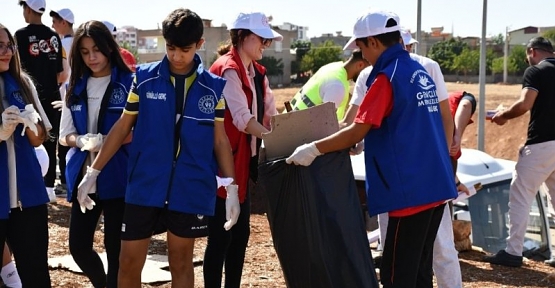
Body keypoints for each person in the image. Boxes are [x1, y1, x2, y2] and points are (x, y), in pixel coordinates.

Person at [286, 9, 458, 288]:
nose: (361, 54)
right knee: (419, 273)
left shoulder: (385, 78)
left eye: (362, 46)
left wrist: (313, 149)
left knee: (395, 276)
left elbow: (356, 129)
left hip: (409, 194)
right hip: (436, 186)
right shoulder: (418, 71)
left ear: (375, 42)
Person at [77, 8, 238, 287]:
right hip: (144, 183)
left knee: (180, 262)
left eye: (184, 50)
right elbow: (122, 127)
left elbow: (220, 140)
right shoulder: (144, 78)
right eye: (171, 47)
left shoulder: (213, 89)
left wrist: (232, 188)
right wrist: (93, 172)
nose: (176, 56)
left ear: (200, 44)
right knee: (127, 263)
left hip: (189, 186)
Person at [204, 11, 280, 288]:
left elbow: (269, 113)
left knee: (240, 236)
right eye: (262, 39)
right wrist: (275, 136)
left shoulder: (256, 73)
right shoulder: (228, 69)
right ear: (242, 37)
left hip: (242, 165)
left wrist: (287, 130)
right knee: (221, 237)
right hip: (223, 165)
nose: (265, 45)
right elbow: (242, 119)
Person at [57, 20, 134, 288]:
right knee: (78, 247)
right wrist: (81, 140)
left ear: (109, 49)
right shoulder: (73, 86)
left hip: (118, 176)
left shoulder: (129, 83)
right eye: (85, 51)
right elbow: (64, 135)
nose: (92, 57)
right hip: (83, 179)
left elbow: (138, 131)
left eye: (97, 50)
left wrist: (107, 141)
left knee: (116, 251)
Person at [484, 36, 555, 268]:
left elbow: (525, 104)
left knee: (521, 195)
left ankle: (513, 252)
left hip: (541, 143)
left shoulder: (536, 71)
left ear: (532, 51)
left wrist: (503, 115)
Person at [0, 23, 53, 287]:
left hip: (27, 198)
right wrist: (1, 131)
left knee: (36, 274)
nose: (6, 52)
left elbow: (39, 138)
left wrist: (32, 124)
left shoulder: (23, 83)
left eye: (9, 45)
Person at [15, 0, 69, 202]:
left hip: (29, 98)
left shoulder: (20, 35)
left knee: (29, 141)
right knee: (50, 142)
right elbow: (60, 72)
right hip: (53, 96)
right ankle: (48, 187)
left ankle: (33, 186)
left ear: (27, 9)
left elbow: (17, 69)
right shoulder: (54, 36)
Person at [289, 50, 369, 120]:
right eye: (368, 71)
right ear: (360, 65)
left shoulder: (332, 68)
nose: (368, 75)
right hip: (300, 132)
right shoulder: (337, 85)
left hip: (288, 122)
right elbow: (324, 124)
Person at [50, 7, 75, 195]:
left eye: (55, 21)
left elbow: (63, 74)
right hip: (81, 96)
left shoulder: (62, 44)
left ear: (63, 23)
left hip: (65, 96)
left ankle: (67, 181)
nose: (53, 24)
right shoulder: (80, 41)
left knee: (65, 139)